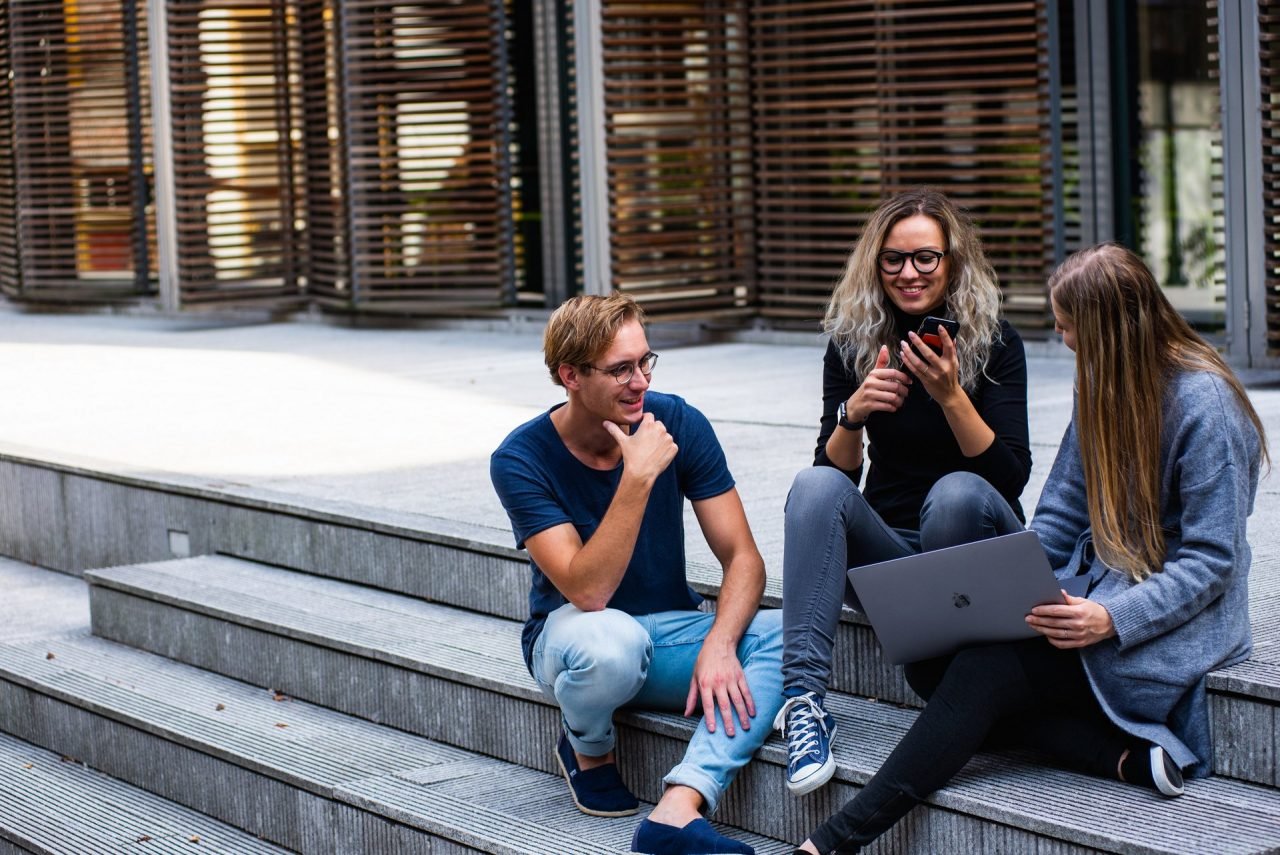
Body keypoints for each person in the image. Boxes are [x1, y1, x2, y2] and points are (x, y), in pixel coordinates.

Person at [791, 243, 1269, 854]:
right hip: (1089, 599)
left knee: (981, 673)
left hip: (1165, 625)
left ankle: (834, 840)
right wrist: (1018, 586)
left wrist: (1109, 618)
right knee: (929, 667)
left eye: (1070, 329)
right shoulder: (1102, 385)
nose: (1065, 342)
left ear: (1109, 327)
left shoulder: (1207, 406)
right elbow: (1061, 515)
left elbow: (1211, 560)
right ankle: (1115, 755)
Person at [490, 293, 784, 855]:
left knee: (789, 632)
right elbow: (587, 590)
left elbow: (743, 557)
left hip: (670, 631)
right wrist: (637, 477)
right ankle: (588, 745)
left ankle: (680, 806)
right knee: (611, 642)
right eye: (621, 368)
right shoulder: (520, 458)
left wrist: (721, 643)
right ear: (570, 375)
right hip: (575, 637)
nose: (639, 381)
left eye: (646, 361)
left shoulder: (677, 420)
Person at [776, 187, 1032, 794]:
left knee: (955, 495)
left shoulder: (996, 343)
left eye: (926, 258)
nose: (909, 273)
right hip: (894, 559)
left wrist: (950, 396)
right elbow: (833, 481)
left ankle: (959, 680)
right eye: (893, 259)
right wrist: (852, 415)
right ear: (875, 263)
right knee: (812, 487)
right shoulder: (853, 343)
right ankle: (805, 706)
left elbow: (1009, 478)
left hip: (975, 548)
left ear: (953, 261)